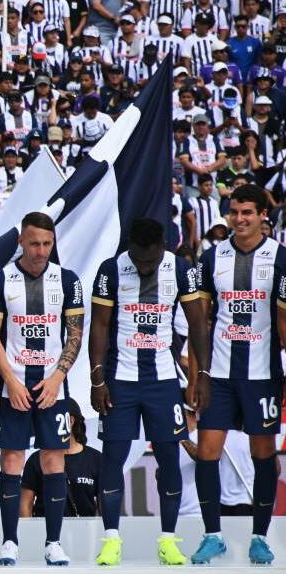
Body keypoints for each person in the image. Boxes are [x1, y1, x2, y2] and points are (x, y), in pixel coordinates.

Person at [89, 217, 209, 566]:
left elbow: (199, 323)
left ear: (163, 249)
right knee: (113, 459)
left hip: (163, 381)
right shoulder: (111, 269)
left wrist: (201, 375)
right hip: (120, 380)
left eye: (150, 261)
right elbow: (98, 326)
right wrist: (98, 380)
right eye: (138, 260)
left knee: (170, 458)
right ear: (130, 248)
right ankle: (111, 538)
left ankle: (168, 540)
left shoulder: (181, 269)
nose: (144, 267)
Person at [0, 211, 85, 566]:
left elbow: (74, 334)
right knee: (11, 461)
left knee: (53, 459)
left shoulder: (68, 280)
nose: (41, 251)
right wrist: (9, 380)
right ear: (20, 242)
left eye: (47, 243)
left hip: (51, 386)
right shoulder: (0, 280)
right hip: (15, 385)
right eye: (34, 243)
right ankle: (10, 540)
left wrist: (58, 377)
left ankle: (53, 542)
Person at [190, 183, 284, 566]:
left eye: (247, 212)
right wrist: (199, 374)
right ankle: (213, 535)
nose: (240, 219)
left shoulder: (280, 258)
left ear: (264, 214)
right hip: (221, 375)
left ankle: (260, 536)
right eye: (234, 212)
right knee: (207, 453)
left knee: (264, 454)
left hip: (263, 374)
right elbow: (200, 321)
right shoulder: (212, 259)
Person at [20, 399, 101, 518]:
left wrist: (106, 533)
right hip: (44, 532)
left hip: (85, 532)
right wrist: (29, 533)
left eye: (53, 419)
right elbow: (25, 504)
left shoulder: (96, 459)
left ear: (70, 421)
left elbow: (105, 503)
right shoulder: (36, 459)